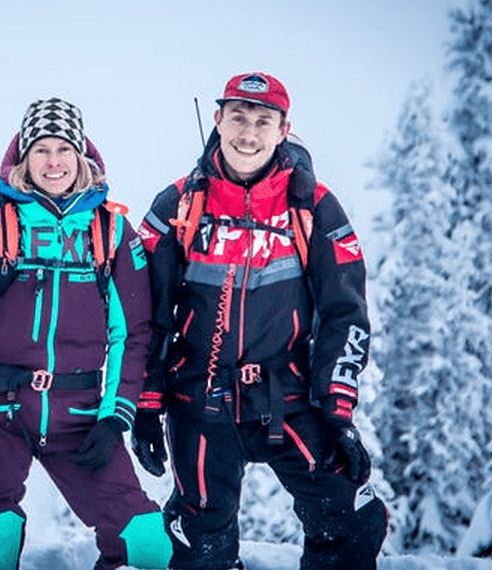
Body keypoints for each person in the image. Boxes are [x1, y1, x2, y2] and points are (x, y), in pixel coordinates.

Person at [133, 73, 388, 570]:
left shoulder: (315, 206)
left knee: (353, 516)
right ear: (218, 119)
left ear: (284, 129)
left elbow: (345, 313)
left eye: (263, 121)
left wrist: (337, 408)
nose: (248, 133)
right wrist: (146, 401)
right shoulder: (179, 204)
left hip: (288, 399)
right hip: (198, 400)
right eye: (239, 117)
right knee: (201, 542)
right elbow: (146, 311)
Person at [0, 98, 173, 570]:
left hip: (79, 414)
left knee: (147, 541)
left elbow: (132, 337)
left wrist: (115, 417)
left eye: (64, 149)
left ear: (82, 157)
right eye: (40, 150)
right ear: (24, 158)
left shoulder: (114, 234)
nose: (53, 162)